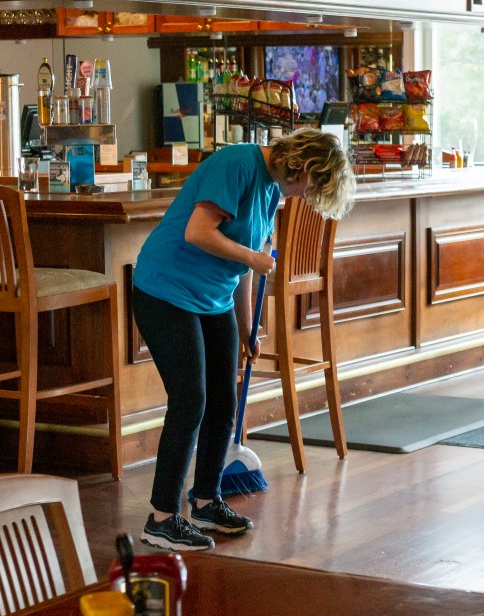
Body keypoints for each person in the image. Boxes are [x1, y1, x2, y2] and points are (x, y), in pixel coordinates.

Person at [132, 128, 355, 551]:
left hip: (212, 299)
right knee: (190, 399)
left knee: (224, 401)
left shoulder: (273, 190)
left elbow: (245, 271)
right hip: (166, 290)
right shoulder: (237, 164)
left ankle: (205, 500)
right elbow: (199, 232)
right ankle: (161, 517)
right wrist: (255, 257)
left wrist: (247, 326)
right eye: (311, 188)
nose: (306, 197)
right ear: (304, 166)